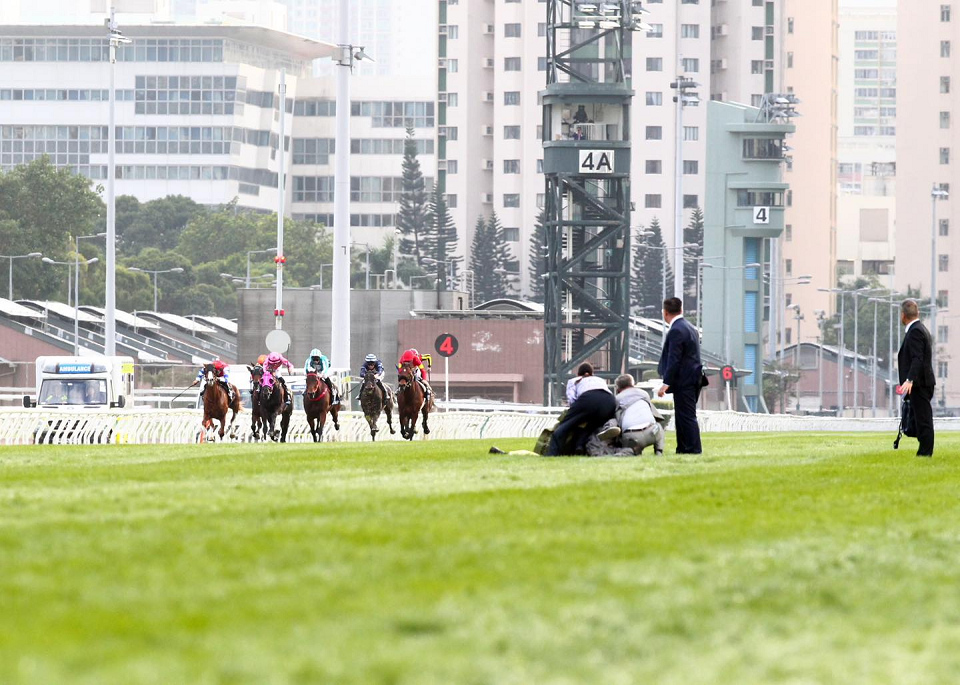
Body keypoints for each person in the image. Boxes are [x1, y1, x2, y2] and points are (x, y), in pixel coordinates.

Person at [657, 297, 705, 454]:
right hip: (693, 378)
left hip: (684, 381)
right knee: (685, 416)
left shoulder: (676, 330)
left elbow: (674, 359)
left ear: (665, 313)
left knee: (686, 417)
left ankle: (692, 449)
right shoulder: (690, 327)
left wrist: (666, 383)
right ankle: (684, 448)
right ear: (681, 310)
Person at [546, 363, 618, 456]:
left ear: (579, 374)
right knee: (590, 426)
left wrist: (572, 415)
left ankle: (553, 453)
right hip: (609, 401)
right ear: (592, 373)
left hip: (588, 398)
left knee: (564, 426)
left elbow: (572, 399)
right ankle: (580, 446)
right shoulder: (600, 380)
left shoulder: (574, 380)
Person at [898, 299, 935, 457]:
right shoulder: (921, 329)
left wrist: (909, 380)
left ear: (903, 315)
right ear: (917, 313)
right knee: (919, 418)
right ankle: (923, 451)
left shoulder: (915, 331)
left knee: (923, 419)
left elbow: (917, 358)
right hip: (922, 383)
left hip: (919, 384)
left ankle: (925, 454)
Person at [615, 374, 666, 455]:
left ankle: (632, 451)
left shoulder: (617, 399)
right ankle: (659, 451)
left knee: (627, 444)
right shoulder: (644, 394)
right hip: (651, 433)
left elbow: (618, 422)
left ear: (618, 388)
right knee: (659, 426)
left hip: (631, 436)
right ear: (632, 384)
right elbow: (655, 415)